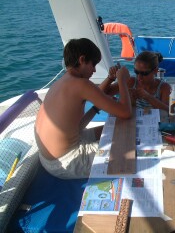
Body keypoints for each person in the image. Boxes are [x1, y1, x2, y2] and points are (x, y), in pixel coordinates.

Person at [35, 38, 132, 179]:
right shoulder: (81, 84)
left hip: (48, 158)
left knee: (111, 129)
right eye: (93, 64)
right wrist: (122, 80)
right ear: (82, 60)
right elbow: (126, 112)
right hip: (67, 162)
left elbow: (97, 93)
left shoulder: (63, 81)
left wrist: (111, 79)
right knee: (128, 148)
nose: (94, 70)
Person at [106, 51, 171, 112]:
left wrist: (148, 97)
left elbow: (170, 111)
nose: (139, 77)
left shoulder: (164, 87)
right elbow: (101, 95)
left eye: (144, 73)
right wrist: (110, 78)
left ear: (155, 71)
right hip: (130, 122)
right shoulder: (131, 82)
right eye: (136, 72)